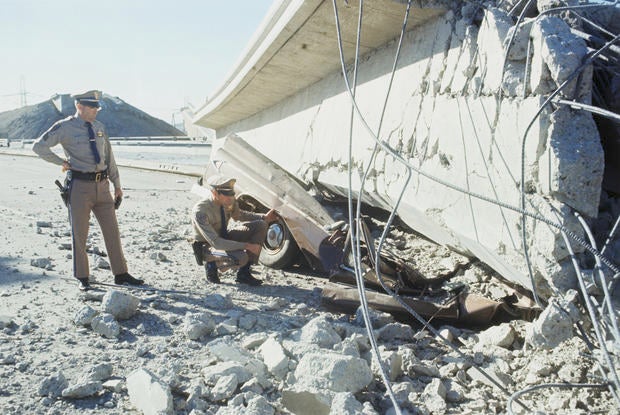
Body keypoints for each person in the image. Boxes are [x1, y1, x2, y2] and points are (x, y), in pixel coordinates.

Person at [32, 90, 144, 291]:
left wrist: (117, 185)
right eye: (92, 108)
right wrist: (61, 162)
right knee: (80, 233)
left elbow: (109, 157)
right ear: (79, 106)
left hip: (103, 187)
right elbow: (38, 147)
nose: (95, 111)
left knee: (112, 232)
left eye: (97, 108)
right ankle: (83, 277)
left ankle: (121, 273)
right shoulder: (64, 127)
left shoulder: (99, 127)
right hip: (79, 188)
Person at [191, 175, 278, 286]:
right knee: (241, 257)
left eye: (232, 194)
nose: (231, 198)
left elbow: (240, 215)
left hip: (224, 237)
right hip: (208, 245)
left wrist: (263, 217)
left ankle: (244, 273)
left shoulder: (228, 202)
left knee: (260, 225)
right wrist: (247, 246)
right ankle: (211, 264)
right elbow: (216, 242)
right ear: (214, 193)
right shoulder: (201, 211)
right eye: (226, 195)